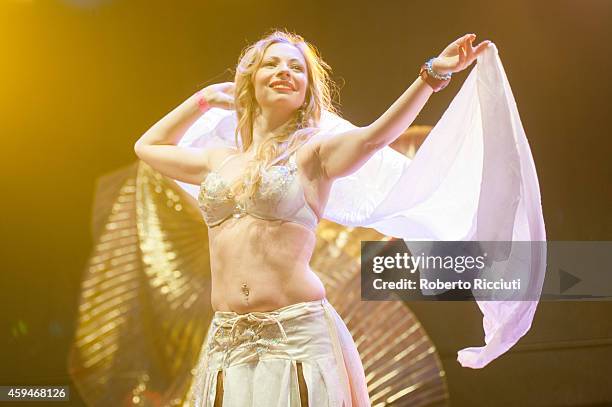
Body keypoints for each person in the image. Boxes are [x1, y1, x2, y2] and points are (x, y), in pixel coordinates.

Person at [133, 30, 501, 407]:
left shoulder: (313, 156)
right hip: (228, 341)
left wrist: (432, 74)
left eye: (297, 67)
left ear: (307, 90)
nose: (284, 71)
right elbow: (147, 147)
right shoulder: (218, 160)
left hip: (296, 333)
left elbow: (375, 138)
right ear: (249, 81)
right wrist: (204, 99)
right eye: (271, 64)